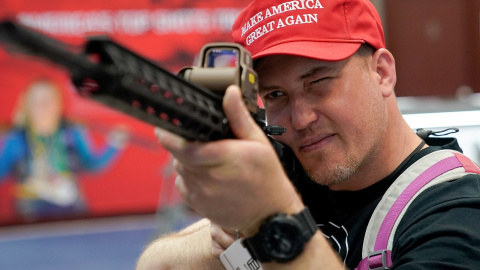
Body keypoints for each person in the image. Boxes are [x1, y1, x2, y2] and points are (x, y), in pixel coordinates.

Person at [136, 0, 480, 269]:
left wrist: (272, 222)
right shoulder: (296, 174)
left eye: (318, 83)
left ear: (382, 72)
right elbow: (157, 263)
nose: (300, 119)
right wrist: (238, 232)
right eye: (275, 95)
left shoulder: (458, 213)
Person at [0, 78, 128, 220]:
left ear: (58, 104)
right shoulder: (15, 138)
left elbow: (92, 165)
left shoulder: (73, 132)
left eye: (48, 100)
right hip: (31, 210)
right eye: (37, 102)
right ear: (27, 106)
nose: (43, 106)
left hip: (70, 207)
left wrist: (114, 144)